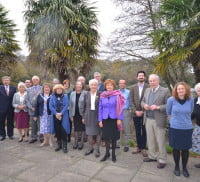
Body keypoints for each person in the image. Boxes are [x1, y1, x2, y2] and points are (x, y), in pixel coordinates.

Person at [141, 74, 170, 169]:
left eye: (154, 81)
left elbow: (169, 105)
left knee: (160, 141)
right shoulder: (147, 90)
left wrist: (158, 107)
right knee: (150, 140)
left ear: (158, 81)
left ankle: (162, 159)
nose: (152, 82)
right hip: (148, 119)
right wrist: (144, 105)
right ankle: (152, 156)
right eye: (150, 81)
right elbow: (142, 101)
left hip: (159, 120)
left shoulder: (165, 91)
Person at [166, 82, 194, 177]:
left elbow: (190, 111)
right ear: (176, 90)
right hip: (175, 128)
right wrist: (174, 122)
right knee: (176, 148)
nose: (180, 90)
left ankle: (184, 168)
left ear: (186, 89)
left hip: (187, 128)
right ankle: (177, 167)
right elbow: (168, 112)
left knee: (185, 149)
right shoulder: (171, 100)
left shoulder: (190, 100)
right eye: (178, 89)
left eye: (182, 88)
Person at [98, 79, 125, 162]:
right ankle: (107, 153)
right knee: (106, 137)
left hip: (114, 119)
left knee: (113, 138)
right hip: (105, 119)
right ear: (105, 86)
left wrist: (119, 119)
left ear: (113, 86)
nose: (109, 86)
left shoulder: (117, 95)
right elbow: (100, 108)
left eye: (111, 85)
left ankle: (113, 154)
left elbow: (120, 108)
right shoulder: (102, 95)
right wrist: (100, 120)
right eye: (107, 85)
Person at [130, 71, 148, 157]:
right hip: (135, 113)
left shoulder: (148, 87)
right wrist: (135, 111)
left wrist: (143, 111)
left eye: (142, 75)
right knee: (137, 130)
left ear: (144, 77)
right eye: (139, 76)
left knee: (144, 131)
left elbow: (149, 100)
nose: (141, 77)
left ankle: (144, 148)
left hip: (145, 113)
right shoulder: (133, 87)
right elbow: (131, 100)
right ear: (137, 77)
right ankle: (138, 147)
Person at [82, 79, 101, 157]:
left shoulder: (101, 94)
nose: (93, 86)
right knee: (89, 133)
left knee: (98, 134)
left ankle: (97, 150)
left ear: (97, 86)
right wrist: (83, 117)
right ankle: (90, 148)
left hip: (97, 116)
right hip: (88, 116)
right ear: (89, 86)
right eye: (92, 85)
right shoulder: (86, 94)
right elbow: (84, 107)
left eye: (95, 85)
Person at [49, 84, 70, 153]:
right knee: (57, 131)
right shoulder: (52, 97)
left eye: (60, 89)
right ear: (55, 90)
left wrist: (61, 113)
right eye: (58, 89)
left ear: (62, 90)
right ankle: (59, 145)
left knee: (63, 131)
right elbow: (51, 106)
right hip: (55, 117)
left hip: (63, 116)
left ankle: (65, 146)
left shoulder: (65, 96)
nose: (59, 90)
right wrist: (56, 113)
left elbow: (66, 105)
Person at [69, 81, 87, 150]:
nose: (78, 86)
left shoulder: (85, 93)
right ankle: (76, 142)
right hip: (75, 114)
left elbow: (86, 105)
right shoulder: (72, 94)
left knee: (82, 129)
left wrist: (84, 116)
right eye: (77, 84)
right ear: (75, 86)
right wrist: (70, 115)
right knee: (76, 128)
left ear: (82, 86)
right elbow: (70, 105)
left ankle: (81, 142)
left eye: (80, 85)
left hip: (82, 114)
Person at [27, 75, 42, 143]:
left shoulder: (42, 88)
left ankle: (41, 137)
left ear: (39, 81)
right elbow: (27, 100)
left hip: (39, 110)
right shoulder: (28, 89)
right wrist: (30, 107)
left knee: (40, 124)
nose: (35, 81)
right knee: (33, 124)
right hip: (32, 109)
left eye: (36, 80)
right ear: (32, 81)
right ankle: (33, 137)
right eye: (34, 80)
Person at [0, 76, 16, 141]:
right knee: (1, 122)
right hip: (1, 108)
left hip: (11, 108)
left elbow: (15, 98)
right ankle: (2, 135)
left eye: (7, 80)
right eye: (5, 80)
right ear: (3, 81)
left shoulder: (13, 88)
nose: (6, 81)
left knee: (10, 122)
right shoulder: (0, 88)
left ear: (9, 81)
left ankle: (10, 134)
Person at [118, 79, 132, 152]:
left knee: (127, 129)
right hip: (118, 112)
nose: (122, 84)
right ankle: (117, 143)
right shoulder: (116, 92)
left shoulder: (128, 92)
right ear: (119, 84)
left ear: (125, 84)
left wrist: (130, 112)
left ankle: (126, 145)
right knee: (118, 128)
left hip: (126, 111)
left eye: (123, 83)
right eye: (121, 83)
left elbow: (131, 103)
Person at [191, 83, 200, 168]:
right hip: (198, 126)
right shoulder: (195, 100)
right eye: (198, 90)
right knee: (198, 144)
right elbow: (193, 113)